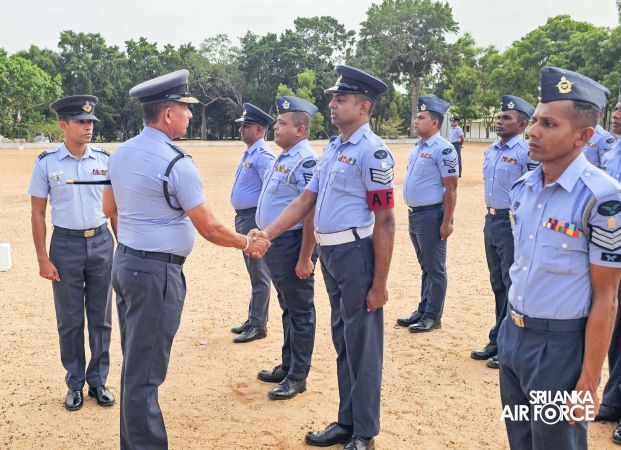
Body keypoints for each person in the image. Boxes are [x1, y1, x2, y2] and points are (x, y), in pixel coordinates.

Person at [102, 69, 269, 449]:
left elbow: (109, 208)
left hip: (125, 264)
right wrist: (247, 243)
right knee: (146, 373)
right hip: (155, 274)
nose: (190, 115)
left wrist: (134, 243)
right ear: (167, 114)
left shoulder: (120, 153)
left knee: (136, 364)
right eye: (185, 108)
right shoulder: (176, 162)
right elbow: (209, 227)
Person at [252, 65, 395, 450]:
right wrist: (268, 233)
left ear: (364, 106)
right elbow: (305, 200)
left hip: (356, 254)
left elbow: (385, 221)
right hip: (331, 253)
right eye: (333, 98)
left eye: (341, 99)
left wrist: (380, 284)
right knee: (343, 340)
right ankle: (347, 422)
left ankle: (364, 433)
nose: (332, 104)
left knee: (362, 346)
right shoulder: (334, 148)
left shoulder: (372, 152)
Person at [498, 67, 621, 449]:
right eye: (535, 120)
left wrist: (589, 380)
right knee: (521, 439)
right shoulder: (524, 188)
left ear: (583, 136)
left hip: (558, 351)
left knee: (554, 443)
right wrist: (507, 337)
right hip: (513, 336)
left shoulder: (602, 199)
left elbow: (606, 297)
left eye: (548, 124)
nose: (533, 131)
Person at [28, 95, 116, 411]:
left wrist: (122, 247)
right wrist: (42, 258)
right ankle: (75, 383)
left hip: (101, 241)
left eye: (91, 121)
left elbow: (114, 209)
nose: (88, 127)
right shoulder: (47, 162)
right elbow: (38, 213)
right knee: (70, 319)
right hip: (65, 245)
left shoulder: (105, 160)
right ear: (63, 125)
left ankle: (98, 381)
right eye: (81, 122)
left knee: (101, 318)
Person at [255, 96, 319, 400]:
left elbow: (311, 211)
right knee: (287, 307)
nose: (276, 128)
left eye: (282, 123)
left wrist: (305, 256)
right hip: (277, 244)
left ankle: (298, 375)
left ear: (300, 130)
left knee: (300, 310)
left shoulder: (306, 160)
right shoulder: (283, 157)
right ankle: (288, 364)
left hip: (293, 244)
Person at [471, 95, 538, 370]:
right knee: (497, 283)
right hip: (492, 220)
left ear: (521, 125)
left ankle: (510, 346)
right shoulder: (491, 151)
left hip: (512, 223)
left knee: (513, 285)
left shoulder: (526, 152)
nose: (500, 121)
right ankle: (499, 339)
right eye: (499, 117)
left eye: (506, 118)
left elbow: (534, 190)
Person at [397, 96, 458, 333]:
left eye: (421, 117)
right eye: (416, 117)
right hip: (416, 215)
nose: (416, 121)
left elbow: (451, 188)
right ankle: (422, 310)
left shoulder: (443, 149)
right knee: (426, 266)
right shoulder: (419, 147)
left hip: (433, 215)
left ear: (435, 122)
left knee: (435, 268)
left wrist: (447, 222)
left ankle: (433, 316)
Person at [229, 103, 275, 343]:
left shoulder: (264, 156)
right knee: (253, 271)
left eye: (246, 126)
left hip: (254, 219)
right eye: (241, 125)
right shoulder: (251, 153)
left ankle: (258, 325)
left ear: (259, 129)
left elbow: (272, 191)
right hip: (244, 217)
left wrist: (262, 224)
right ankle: (253, 318)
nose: (241, 129)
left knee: (259, 273)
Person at [595, 79, 621, 445]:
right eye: (616, 108)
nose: (617, 115)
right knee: (616, 328)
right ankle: (614, 400)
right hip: (613, 244)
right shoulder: (613, 149)